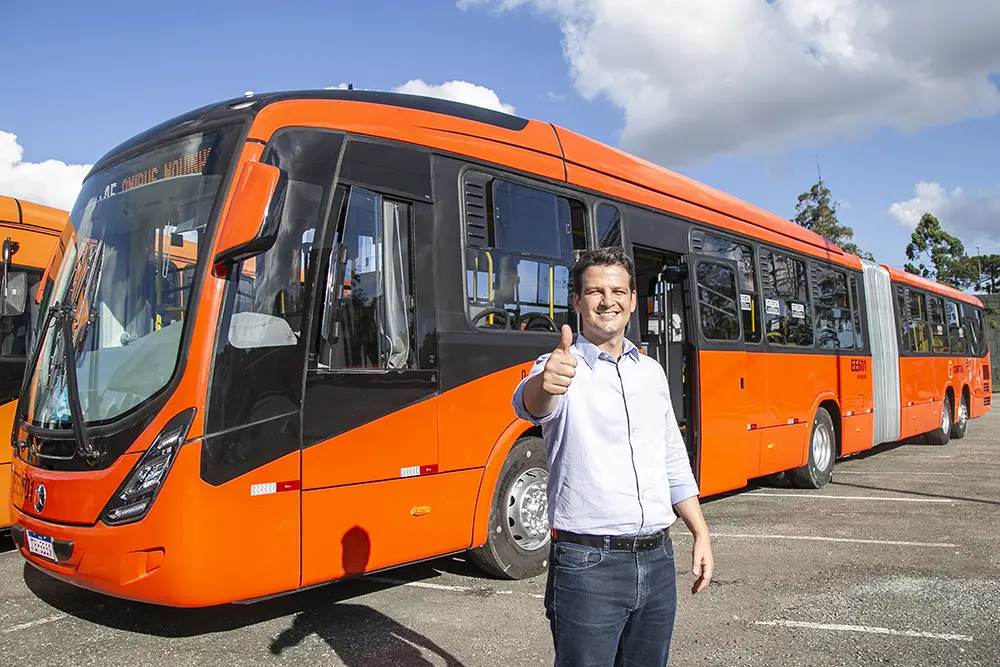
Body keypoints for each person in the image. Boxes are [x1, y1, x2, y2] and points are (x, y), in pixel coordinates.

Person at [511, 246, 713, 666]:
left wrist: (700, 532)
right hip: (588, 568)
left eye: (618, 290)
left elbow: (672, 458)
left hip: (658, 561)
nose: (608, 301)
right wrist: (546, 383)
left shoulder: (651, 371)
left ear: (633, 299)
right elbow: (530, 403)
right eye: (596, 291)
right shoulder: (560, 367)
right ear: (577, 302)